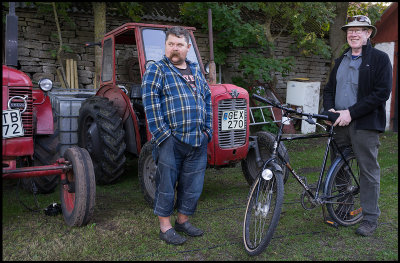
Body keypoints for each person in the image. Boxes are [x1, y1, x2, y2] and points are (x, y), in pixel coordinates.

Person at [141, 26, 213, 245]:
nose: (175, 48)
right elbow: (150, 104)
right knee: (165, 184)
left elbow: (207, 100)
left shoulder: (195, 71)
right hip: (171, 141)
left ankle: (182, 221)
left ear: (188, 48)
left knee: (193, 185)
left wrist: (207, 131)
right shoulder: (157, 70)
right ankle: (165, 227)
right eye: (171, 44)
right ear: (165, 46)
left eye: (179, 45)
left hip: (197, 140)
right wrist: (164, 136)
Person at [323, 15, 392, 236]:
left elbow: (381, 93)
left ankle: (370, 218)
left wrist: (350, 113)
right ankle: (344, 209)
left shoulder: (379, 59)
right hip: (339, 124)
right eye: (350, 30)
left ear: (368, 33)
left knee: (368, 171)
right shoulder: (341, 59)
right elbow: (329, 90)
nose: (354, 34)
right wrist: (330, 111)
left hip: (364, 124)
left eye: (359, 30)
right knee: (340, 168)